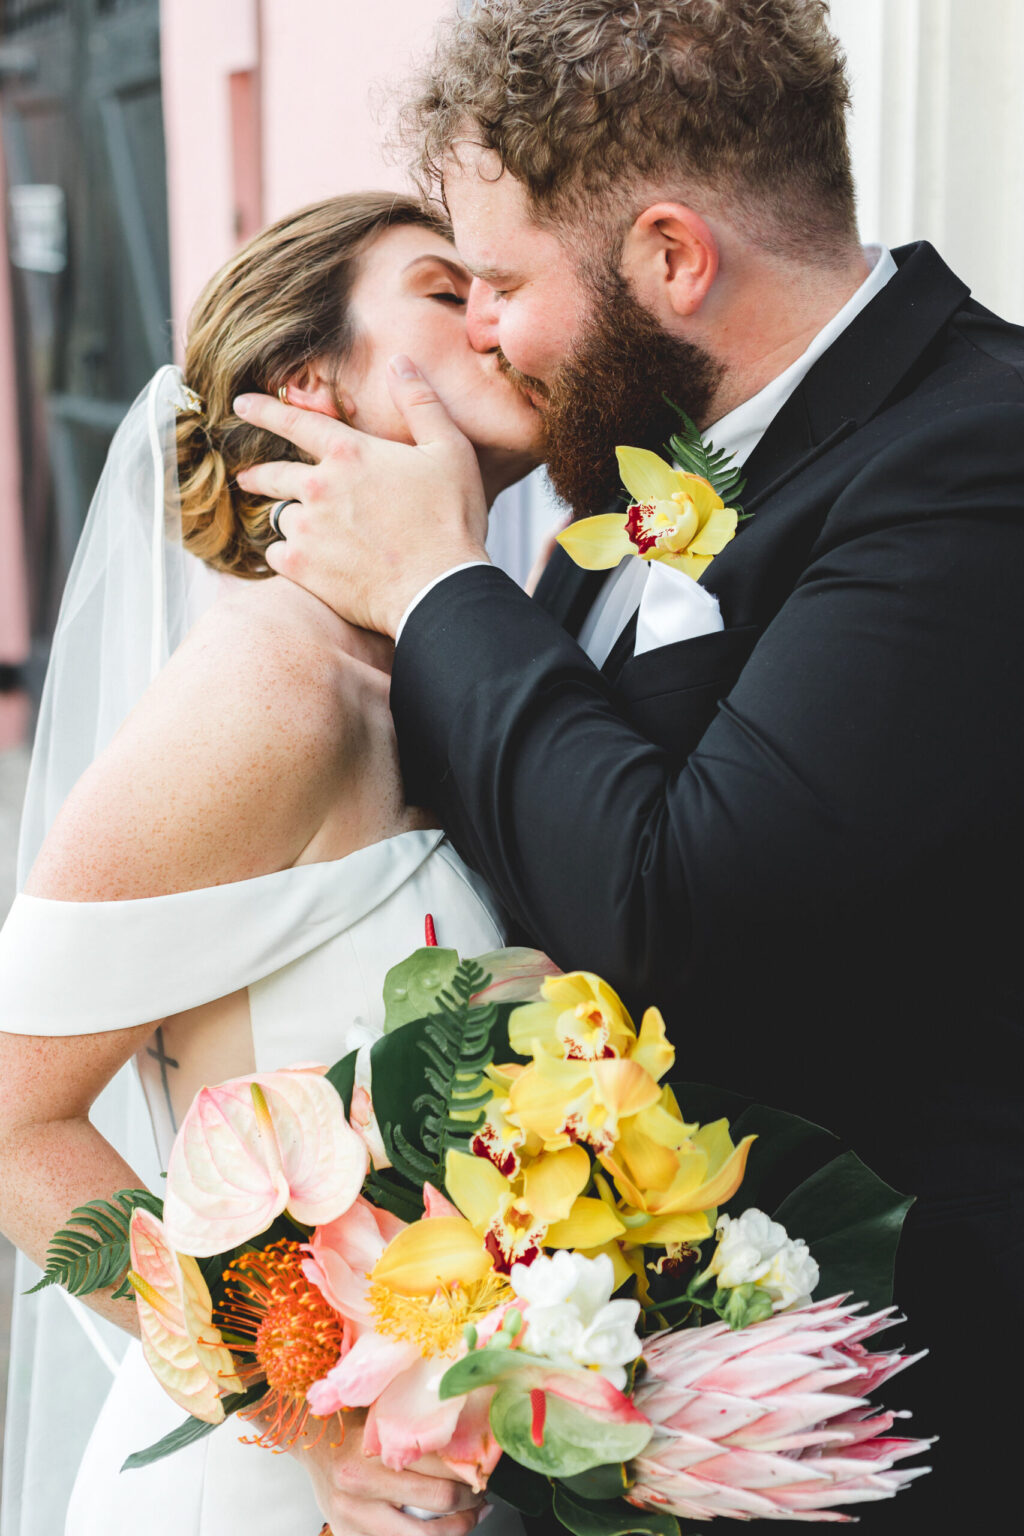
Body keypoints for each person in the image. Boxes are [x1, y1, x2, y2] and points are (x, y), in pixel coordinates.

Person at [228, 2, 1024, 1529]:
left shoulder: (971, 459)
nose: (484, 334)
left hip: (909, 1419)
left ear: (672, 258)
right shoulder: (657, 461)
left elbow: (682, 909)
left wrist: (437, 588)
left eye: (505, 284)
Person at [0, 191, 541, 1536]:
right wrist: (296, 1404)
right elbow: (15, 1115)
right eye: (441, 287)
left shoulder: (418, 672)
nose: (495, 314)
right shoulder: (271, 688)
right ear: (310, 385)